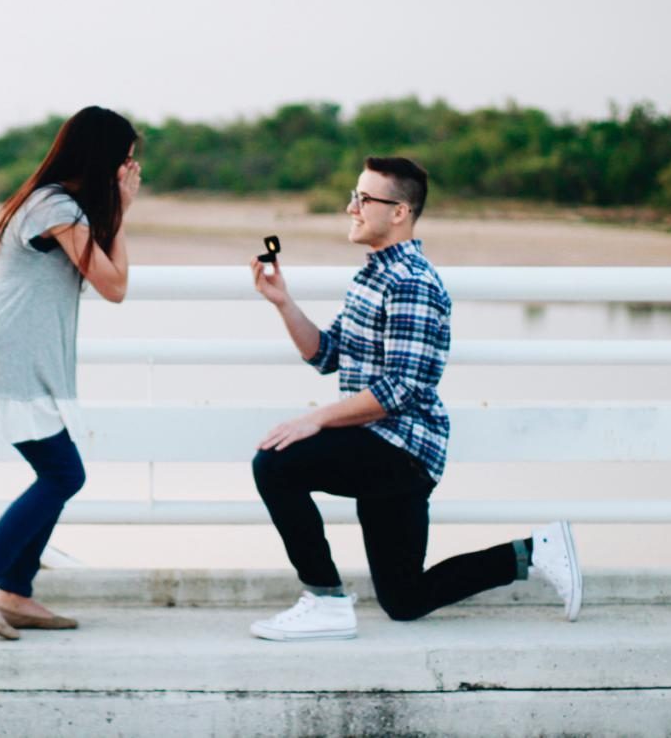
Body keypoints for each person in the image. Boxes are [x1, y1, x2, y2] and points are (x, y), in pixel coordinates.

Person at [248, 156, 582, 641]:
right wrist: (283, 302)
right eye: (353, 196)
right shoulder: (374, 276)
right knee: (404, 599)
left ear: (399, 212)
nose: (351, 208)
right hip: (378, 450)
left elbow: (401, 390)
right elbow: (326, 354)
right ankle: (536, 551)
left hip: (399, 451)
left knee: (274, 464)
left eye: (363, 199)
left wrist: (316, 420)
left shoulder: (411, 283)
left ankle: (324, 599)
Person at [0, 106, 140, 639]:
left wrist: (112, 208)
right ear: (106, 160)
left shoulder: (54, 203)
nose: (130, 171)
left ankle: (16, 591)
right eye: (127, 162)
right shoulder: (53, 207)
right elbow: (114, 286)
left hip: (11, 353)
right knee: (64, 475)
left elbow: (103, 278)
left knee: (59, 472)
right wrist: (122, 208)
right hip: (4, 357)